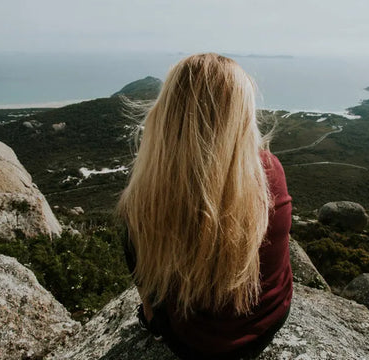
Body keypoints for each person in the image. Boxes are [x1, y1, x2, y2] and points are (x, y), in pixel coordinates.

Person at [117, 53, 292, 360]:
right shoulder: (269, 172)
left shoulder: (149, 194)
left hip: (190, 345)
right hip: (267, 327)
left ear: (168, 113)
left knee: (133, 223)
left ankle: (150, 318)